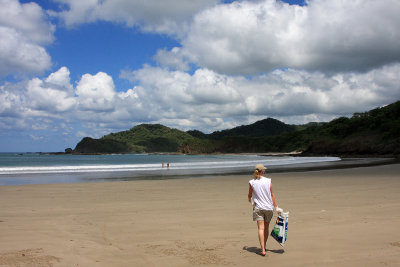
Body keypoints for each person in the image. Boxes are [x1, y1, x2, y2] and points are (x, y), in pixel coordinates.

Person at [248, 163, 282, 256]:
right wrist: (276, 207)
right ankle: (265, 246)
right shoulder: (268, 181)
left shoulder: (252, 182)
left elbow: (250, 195)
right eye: (264, 170)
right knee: (266, 228)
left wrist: (250, 200)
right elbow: (271, 195)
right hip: (268, 208)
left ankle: (262, 249)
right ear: (262, 171)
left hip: (258, 208)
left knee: (260, 228)